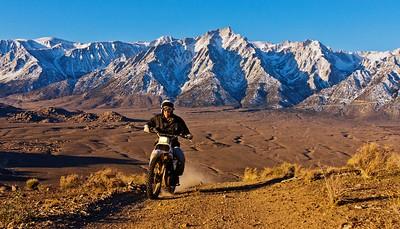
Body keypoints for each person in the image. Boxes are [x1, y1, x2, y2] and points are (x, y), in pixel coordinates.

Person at [144, 100, 193, 186]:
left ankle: (175, 177)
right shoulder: (157, 118)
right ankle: (151, 174)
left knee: (181, 158)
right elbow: (149, 124)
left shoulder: (178, 120)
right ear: (162, 109)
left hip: (173, 144)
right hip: (159, 143)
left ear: (172, 110)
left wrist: (187, 135)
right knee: (153, 156)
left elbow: (185, 130)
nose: (167, 111)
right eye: (165, 109)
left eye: (169, 109)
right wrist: (147, 127)